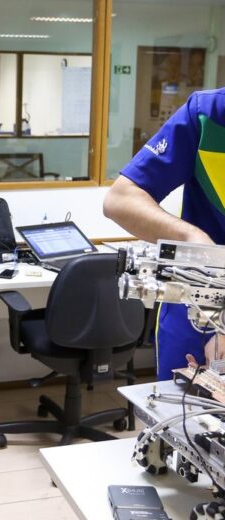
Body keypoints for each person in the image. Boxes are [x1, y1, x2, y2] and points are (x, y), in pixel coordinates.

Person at [103, 88, 225, 380]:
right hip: (200, 305)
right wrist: (192, 239)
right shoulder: (207, 114)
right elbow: (120, 199)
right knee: (185, 405)